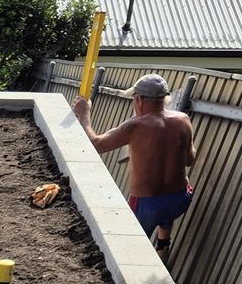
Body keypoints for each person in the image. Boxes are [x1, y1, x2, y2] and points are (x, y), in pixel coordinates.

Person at [72, 74, 194, 256]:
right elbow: (190, 160)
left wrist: (84, 113)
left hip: (147, 206)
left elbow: (96, 144)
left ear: (138, 99)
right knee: (165, 212)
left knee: (130, 249)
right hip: (180, 199)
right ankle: (163, 246)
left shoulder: (135, 126)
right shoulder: (183, 119)